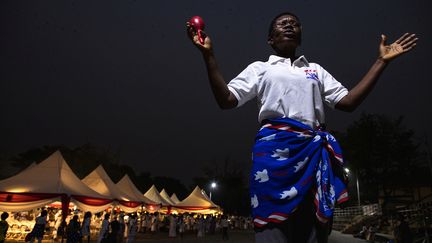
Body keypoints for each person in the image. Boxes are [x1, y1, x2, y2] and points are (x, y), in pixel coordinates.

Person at [187, 12, 417, 243]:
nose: (289, 26)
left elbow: (348, 102)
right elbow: (226, 100)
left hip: (312, 156)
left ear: (300, 35)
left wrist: (381, 62)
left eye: (295, 24)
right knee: (272, 230)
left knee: (313, 229)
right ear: (270, 39)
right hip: (273, 156)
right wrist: (208, 56)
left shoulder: (315, 70)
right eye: (282, 24)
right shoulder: (260, 68)